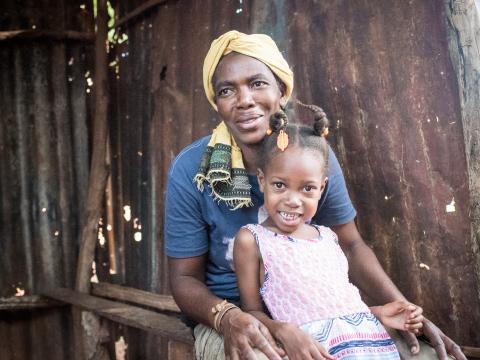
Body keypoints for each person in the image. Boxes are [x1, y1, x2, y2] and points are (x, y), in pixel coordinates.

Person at [164, 30, 466, 360]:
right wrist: (228, 319)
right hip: (231, 317)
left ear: (281, 90)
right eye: (227, 90)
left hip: (324, 315)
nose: (244, 99)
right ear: (217, 103)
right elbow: (184, 278)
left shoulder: (311, 154)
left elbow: (351, 244)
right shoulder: (193, 168)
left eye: (257, 83)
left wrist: (408, 312)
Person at [233, 109, 423, 359]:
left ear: (322, 188)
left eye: (308, 188)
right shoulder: (253, 240)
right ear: (261, 181)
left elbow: (336, 304)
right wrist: (282, 329)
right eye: (279, 185)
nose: (292, 200)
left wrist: (379, 312)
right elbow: (252, 312)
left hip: (369, 345)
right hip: (312, 350)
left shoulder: (327, 237)